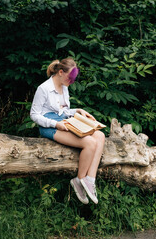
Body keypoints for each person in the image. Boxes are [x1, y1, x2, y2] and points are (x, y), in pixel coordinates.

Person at [30, 58, 105, 204]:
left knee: (100, 136)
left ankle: (90, 180)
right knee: (90, 143)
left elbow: (62, 111)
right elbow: (34, 115)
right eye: (70, 77)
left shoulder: (64, 87)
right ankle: (79, 179)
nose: (71, 81)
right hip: (50, 126)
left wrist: (78, 110)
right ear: (60, 72)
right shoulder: (43, 88)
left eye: (73, 79)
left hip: (64, 122)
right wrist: (55, 124)